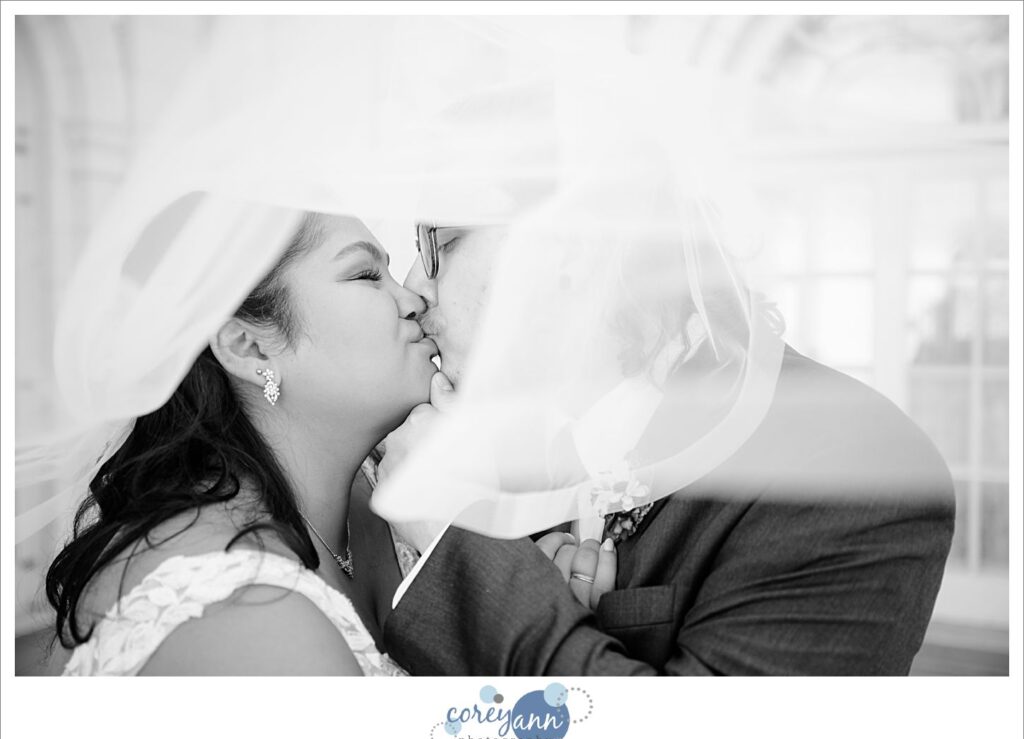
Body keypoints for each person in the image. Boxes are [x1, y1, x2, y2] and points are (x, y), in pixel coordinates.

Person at [371, 222, 957, 676]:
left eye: (436, 244)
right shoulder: (510, 446)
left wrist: (451, 535)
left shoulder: (850, 468)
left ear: (566, 242)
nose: (417, 290)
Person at [45, 211, 439, 676]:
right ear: (249, 348)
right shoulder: (238, 613)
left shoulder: (397, 476)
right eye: (367, 275)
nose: (413, 299)